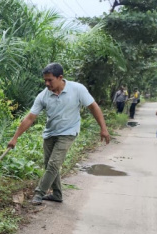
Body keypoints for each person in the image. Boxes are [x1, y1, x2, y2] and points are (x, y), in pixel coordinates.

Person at [7, 63, 111, 205]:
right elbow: (30, 118)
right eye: (45, 80)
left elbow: (93, 107)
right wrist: (15, 137)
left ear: (60, 77)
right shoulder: (43, 96)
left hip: (69, 132)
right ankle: (57, 194)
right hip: (50, 133)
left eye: (50, 80)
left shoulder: (77, 89)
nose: (47, 83)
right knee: (49, 164)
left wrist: (103, 128)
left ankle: (39, 193)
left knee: (54, 164)